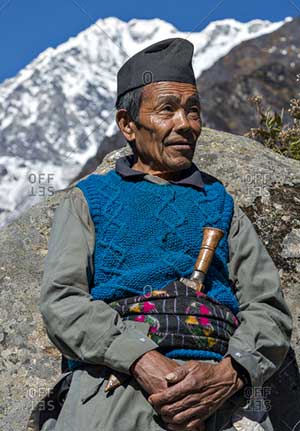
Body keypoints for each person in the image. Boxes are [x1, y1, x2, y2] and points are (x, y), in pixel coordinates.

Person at [31, 38, 292, 431]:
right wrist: (141, 358)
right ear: (127, 125)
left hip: (218, 393)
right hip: (115, 390)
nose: (184, 124)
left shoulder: (220, 204)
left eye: (193, 111)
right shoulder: (91, 200)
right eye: (167, 110)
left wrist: (231, 373)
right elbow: (63, 302)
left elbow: (268, 308)